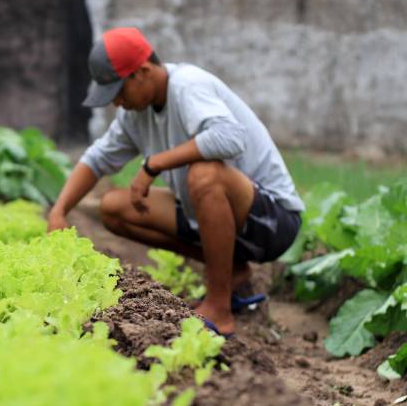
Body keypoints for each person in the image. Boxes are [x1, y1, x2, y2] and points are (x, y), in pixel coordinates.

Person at [48, 27, 304, 336]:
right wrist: (59, 211)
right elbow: (97, 158)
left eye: (118, 92)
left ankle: (220, 308)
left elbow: (230, 137)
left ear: (142, 72)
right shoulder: (135, 115)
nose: (117, 102)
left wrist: (153, 164)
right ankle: (232, 271)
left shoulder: (187, 86)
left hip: (272, 220)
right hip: (215, 219)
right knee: (115, 207)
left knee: (204, 174)